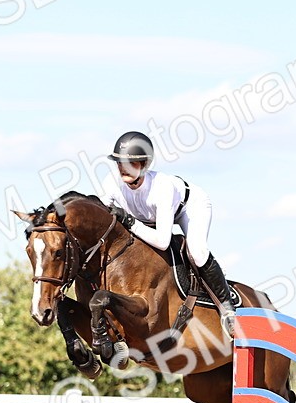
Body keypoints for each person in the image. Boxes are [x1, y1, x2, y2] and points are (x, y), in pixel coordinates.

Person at [97, 131, 237, 336]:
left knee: (197, 251)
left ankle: (227, 308)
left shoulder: (161, 187)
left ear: (144, 165)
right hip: (149, 218)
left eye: (130, 163)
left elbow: (162, 241)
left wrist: (128, 220)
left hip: (189, 207)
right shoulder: (111, 183)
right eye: (119, 163)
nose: (123, 168)